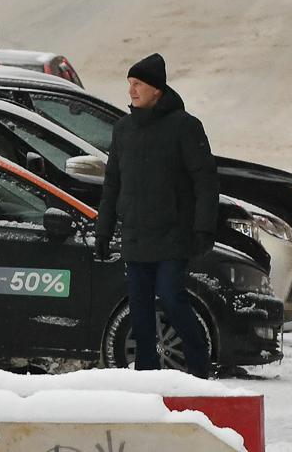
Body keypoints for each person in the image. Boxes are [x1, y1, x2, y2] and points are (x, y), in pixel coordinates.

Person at [95, 53, 219, 376]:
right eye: (130, 84)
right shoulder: (123, 131)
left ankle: (198, 365)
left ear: (156, 90)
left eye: (138, 84)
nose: (132, 90)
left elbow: (205, 181)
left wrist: (203, 228)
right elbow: (112, 185)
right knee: (139, 309)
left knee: (172, 298)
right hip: (136, 236)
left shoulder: (185, 127)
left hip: (172, 235)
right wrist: (103, 232)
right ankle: (147, 374)